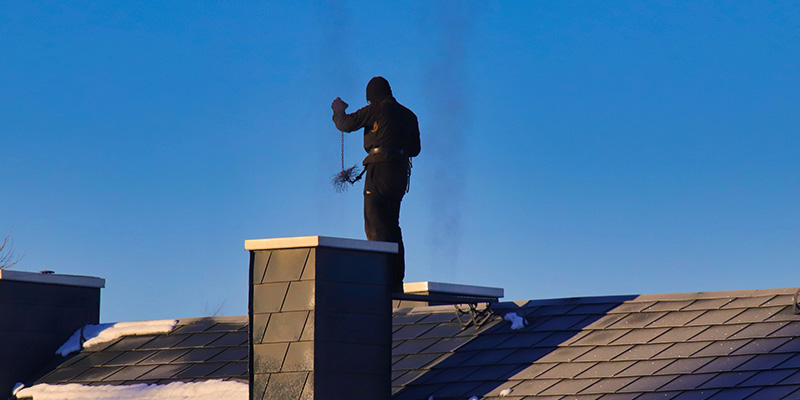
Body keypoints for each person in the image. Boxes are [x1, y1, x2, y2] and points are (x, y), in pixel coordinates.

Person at [331, 76, 421, 292]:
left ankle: (380, 281)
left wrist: (337, 109)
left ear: (373, 96)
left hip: (378, 172)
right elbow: (415, 150)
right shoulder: (410, 115)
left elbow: (345, 124)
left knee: (375, 225)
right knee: (393, 226)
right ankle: (396, 281)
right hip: (399, 175)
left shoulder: (375, 109)